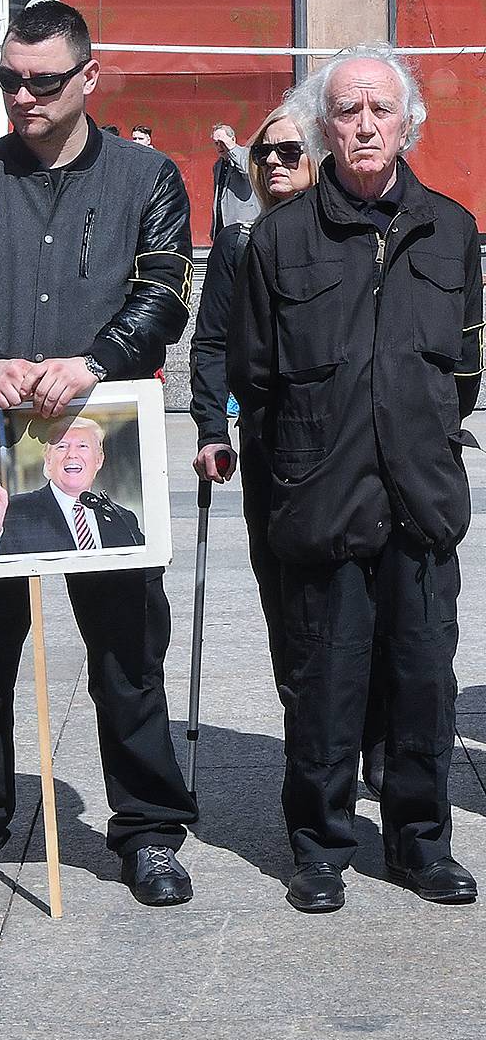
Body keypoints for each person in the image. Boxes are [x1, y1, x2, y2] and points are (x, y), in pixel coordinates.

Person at [0, 0, 198, 910]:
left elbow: (164, 292)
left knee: (127, 655)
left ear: (88, 79)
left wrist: (93, 362)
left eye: (42, 81)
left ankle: (147, 830)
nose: (22, 96)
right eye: (8, 79)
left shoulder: (150, 176)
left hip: (102, 436)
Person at [231, 44, 482, 915]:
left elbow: (466, 366)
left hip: (420, 496)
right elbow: (255, 379)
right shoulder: (278, 237)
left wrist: (428, 444)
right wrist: (296, 471)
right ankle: (320, 845)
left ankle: (421, 844)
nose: (365, 124)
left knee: (424, 682)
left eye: (381, 108)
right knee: (325, 683)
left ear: (410, 119)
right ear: (324, 126)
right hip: (323, 496)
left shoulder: (451, 227)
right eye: (347, 110)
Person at [190, 97, 313, 703]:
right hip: (267, 443)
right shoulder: (240, 243)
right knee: (278, 583)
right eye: (262, 153)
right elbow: (210, 342)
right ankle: (303, 727)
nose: (273, 163)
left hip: (342, 445)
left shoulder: (353, 237)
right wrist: (212, 428)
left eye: (289, 152)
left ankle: (364, 732)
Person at [0, 414, 144, 557]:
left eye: (82, 446)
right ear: (48, 461)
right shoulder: (13, 512)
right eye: (62, 447)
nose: (72, 454)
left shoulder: (122, 519)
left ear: (99, 460)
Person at [210, 123, 260, 237]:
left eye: (222, 142)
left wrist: (231, 147)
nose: (219, 147)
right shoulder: (218, 165)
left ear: (232, 139)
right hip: (223, 225)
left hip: (243, 224)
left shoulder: (246, 155)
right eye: (216, 143)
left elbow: (247, 171)